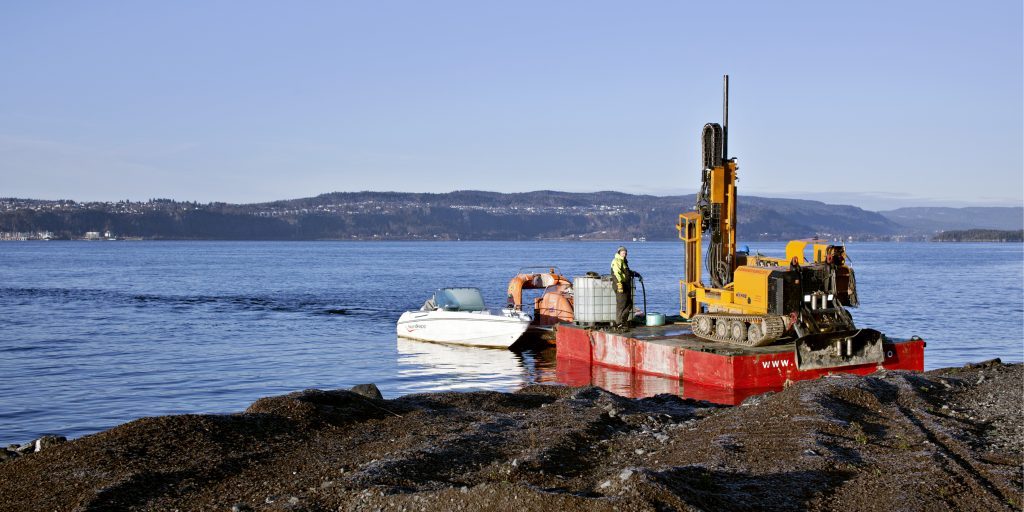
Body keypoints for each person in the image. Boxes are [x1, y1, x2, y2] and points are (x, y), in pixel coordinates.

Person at [610, 246, 641, 330]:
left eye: (626, 252)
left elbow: (626, 272)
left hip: (626, 285)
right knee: (621, 304)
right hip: (620, 285)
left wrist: (635, 273)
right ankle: (618, 323)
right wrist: (619, 284)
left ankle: (624, 321)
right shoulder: (616, 261)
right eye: (623, 252)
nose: (625, 253)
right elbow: (616, 273)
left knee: (629, 304)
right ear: (619, 252)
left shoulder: (624, 261)